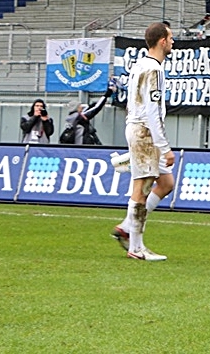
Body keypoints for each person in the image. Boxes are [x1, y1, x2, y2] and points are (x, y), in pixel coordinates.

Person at [116, 22, 175, 261]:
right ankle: (136, 247)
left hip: (138, 127)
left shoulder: (140, 64)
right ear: (162, 41)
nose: (173, 43)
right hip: (145, 132)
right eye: (170, 38)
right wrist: (164, 146)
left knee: (166, 182)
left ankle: (127, 227)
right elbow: (152, 109)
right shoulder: (154, 70)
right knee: (141, 188)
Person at [63, 81, 117, 145]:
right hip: (81, 145)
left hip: (75, 145)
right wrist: (106, 95)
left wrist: (93, 104)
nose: (81, 107)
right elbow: (95, 109)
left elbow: (89, 108)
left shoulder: (71, 117)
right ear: (76, 108)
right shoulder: (79, 117)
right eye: (79, 106)